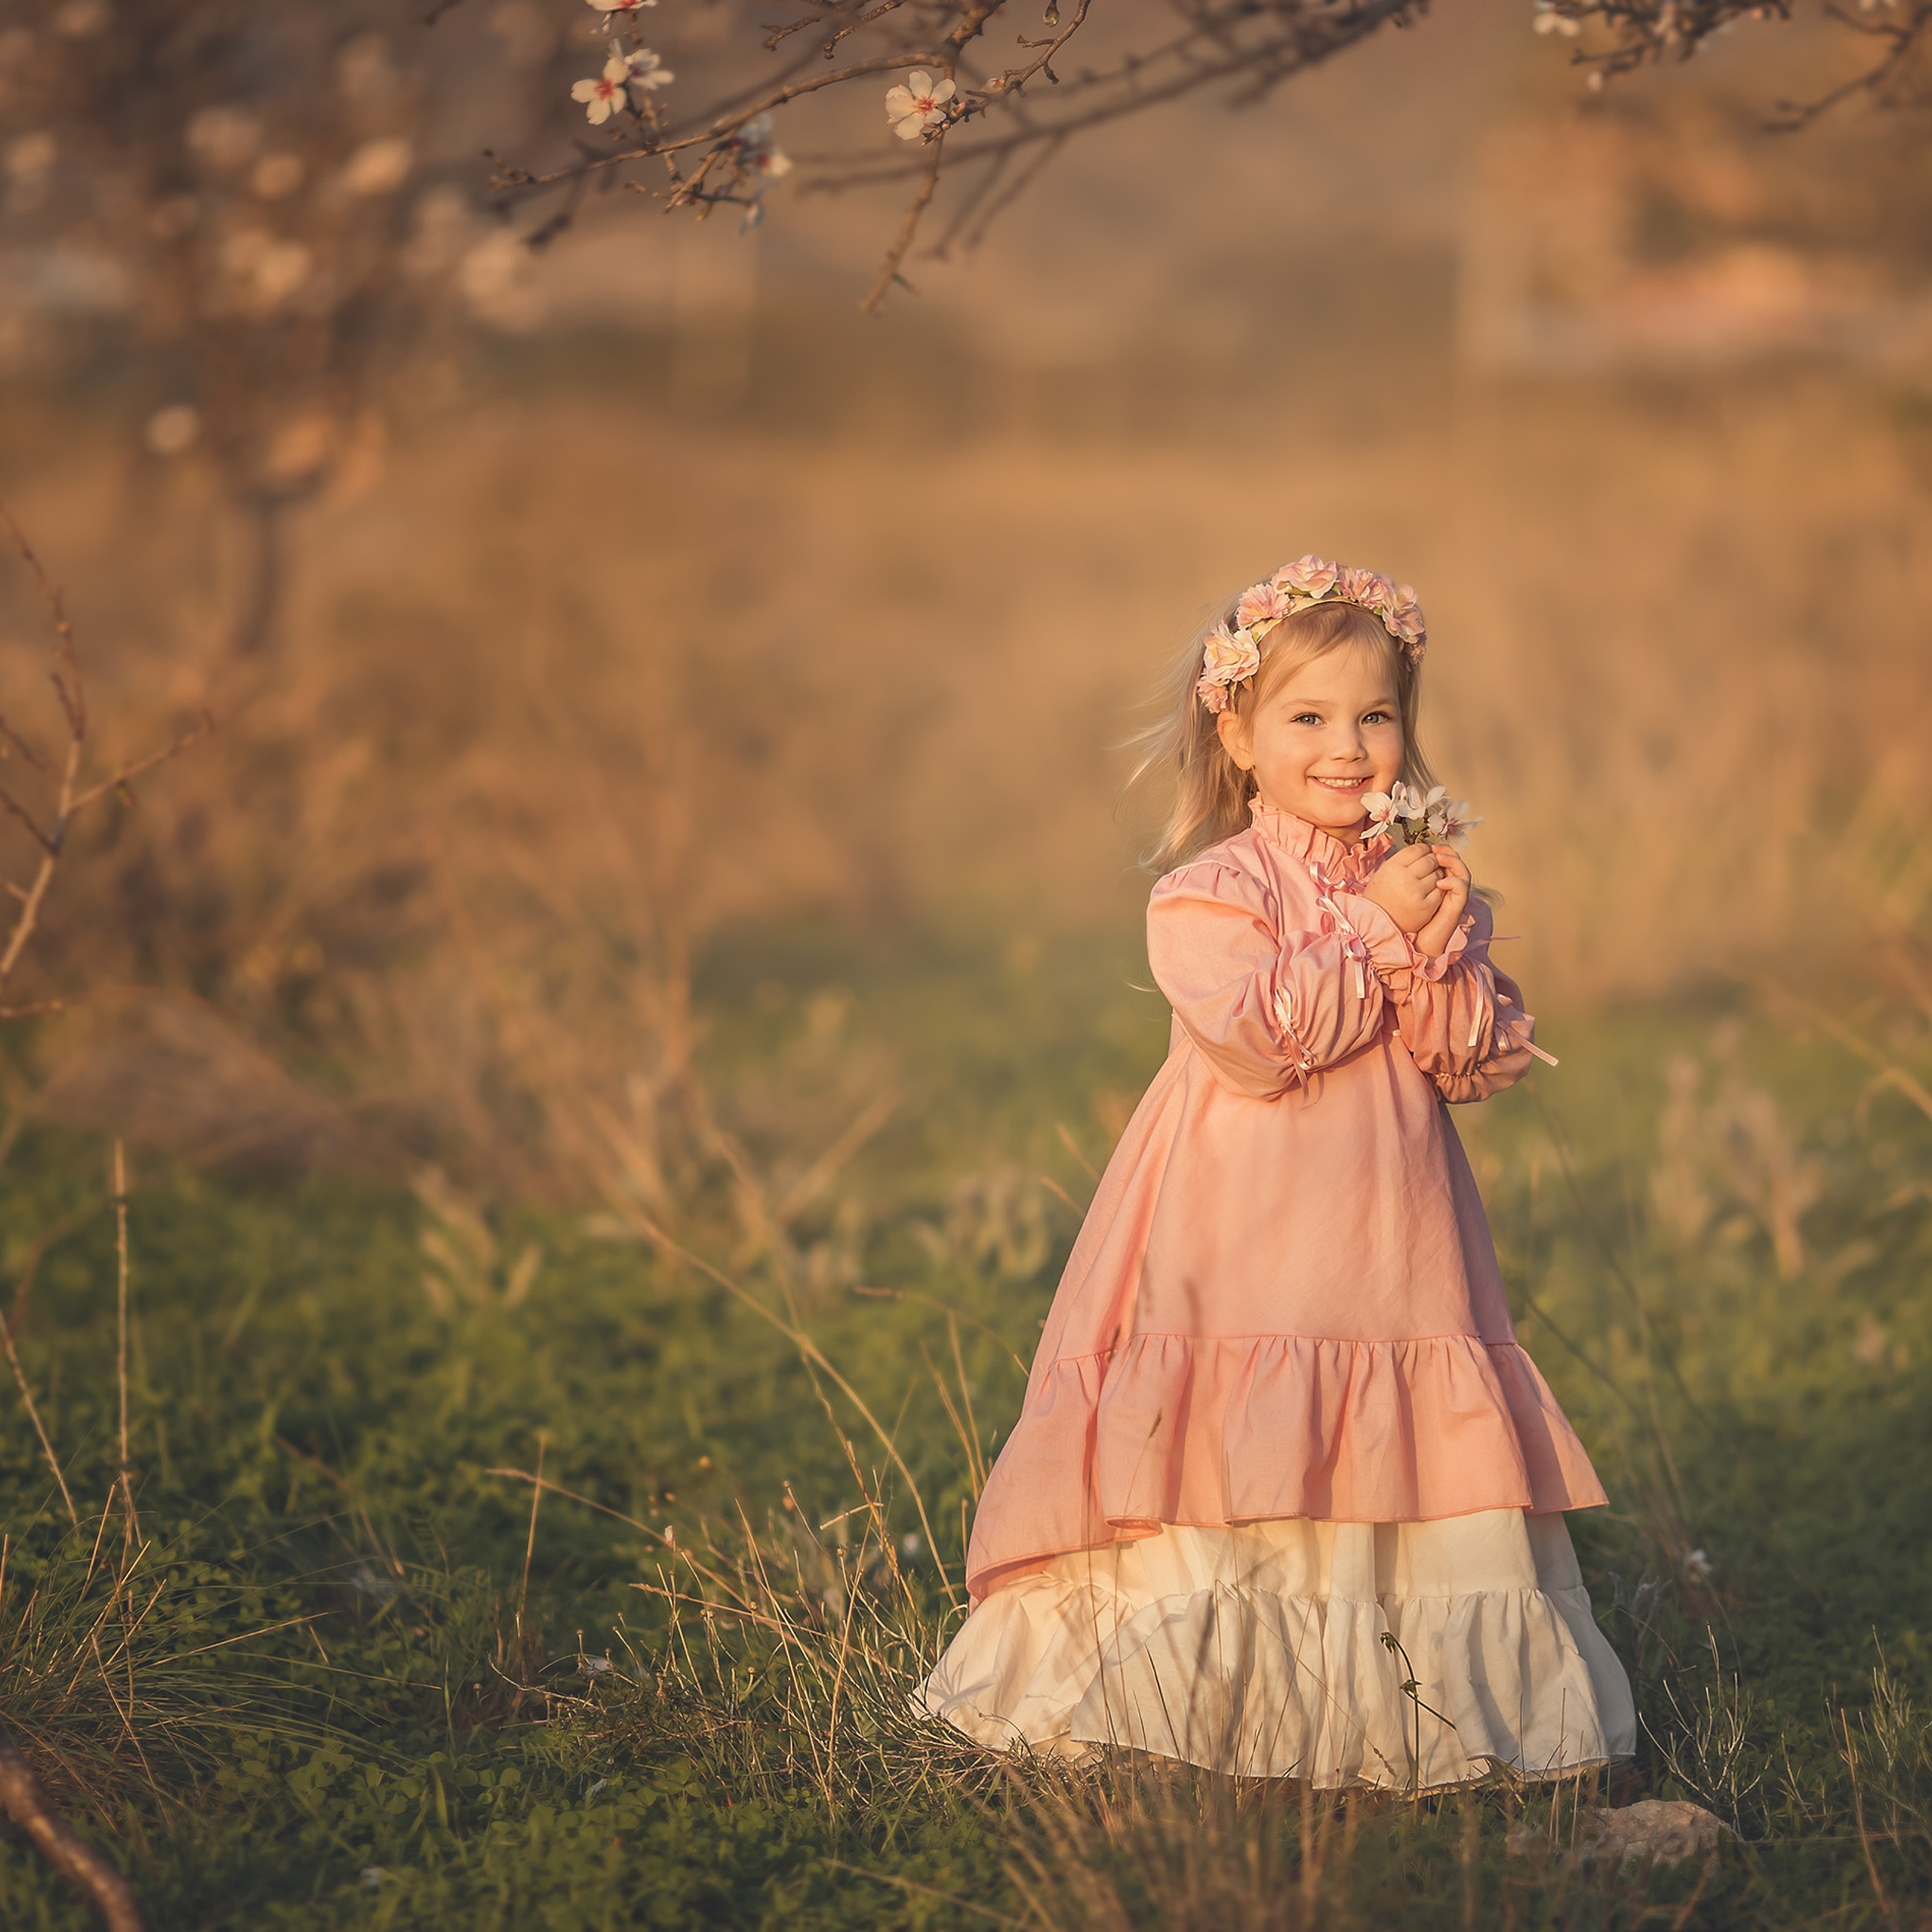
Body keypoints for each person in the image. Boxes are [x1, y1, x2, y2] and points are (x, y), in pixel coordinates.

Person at [921, 556, 1635, 1786]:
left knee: (1390, 1435)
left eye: (1376, 715)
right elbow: (1260, 1039)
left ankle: (1409, 1717)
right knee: (1244, 1432)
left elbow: (1466, 1060)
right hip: (1244, 1223)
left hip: (1392, 1238)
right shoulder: (1210, 892)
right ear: (1240, 735)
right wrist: (1370, 929)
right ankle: (1208, 1711)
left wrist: (1437, 943)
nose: (1348, 746)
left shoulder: (1417, 876)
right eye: (1308, 718)